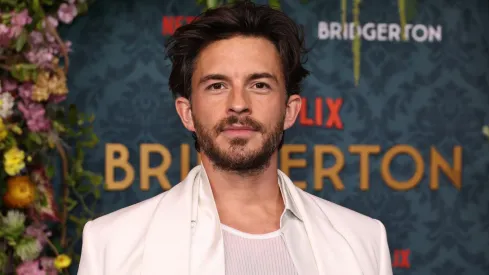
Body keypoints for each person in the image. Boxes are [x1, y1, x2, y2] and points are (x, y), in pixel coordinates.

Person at [78, 1, 393, 274]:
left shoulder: (362, 240)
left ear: (290, 110)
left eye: (259, 85)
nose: (238, 103)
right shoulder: (113, 243)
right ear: (187, 112)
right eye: (217, 85)